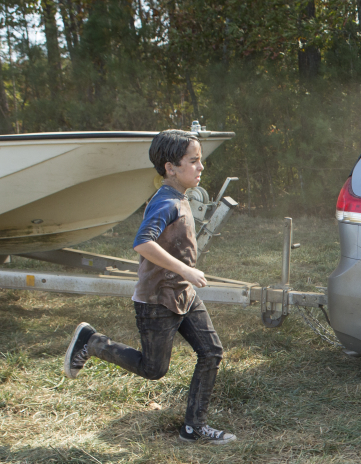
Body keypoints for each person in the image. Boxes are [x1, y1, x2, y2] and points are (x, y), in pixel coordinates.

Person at [61, 129, 235, 445]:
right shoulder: (165, 202)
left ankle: (193, 428)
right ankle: (93, 341)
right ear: (171, 168)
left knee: (211, 352)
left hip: (183, 293)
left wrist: (185, 275)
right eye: (193, 161)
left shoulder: (179, 197)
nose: (201, 167)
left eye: (200, 161)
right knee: (154, 370)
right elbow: (142, 242)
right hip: (157, 300)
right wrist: (186, 269)